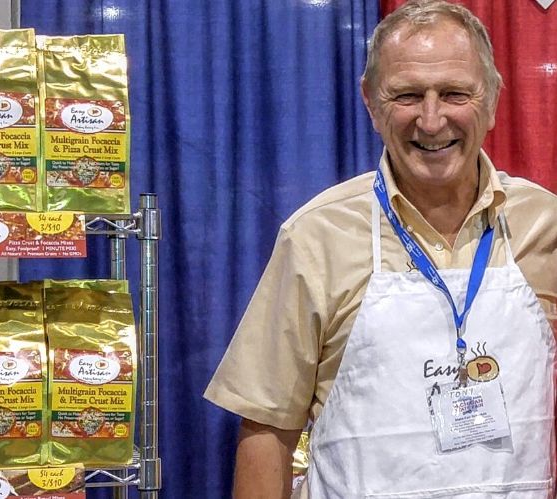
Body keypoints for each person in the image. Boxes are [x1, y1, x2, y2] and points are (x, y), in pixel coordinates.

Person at [204, 1, 557, 498]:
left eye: (454, 93)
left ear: (494, 100)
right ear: (370, 102)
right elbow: (267, 430)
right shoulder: (317, 236)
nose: (431, 121)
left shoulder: (546, 225)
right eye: (407, 95)